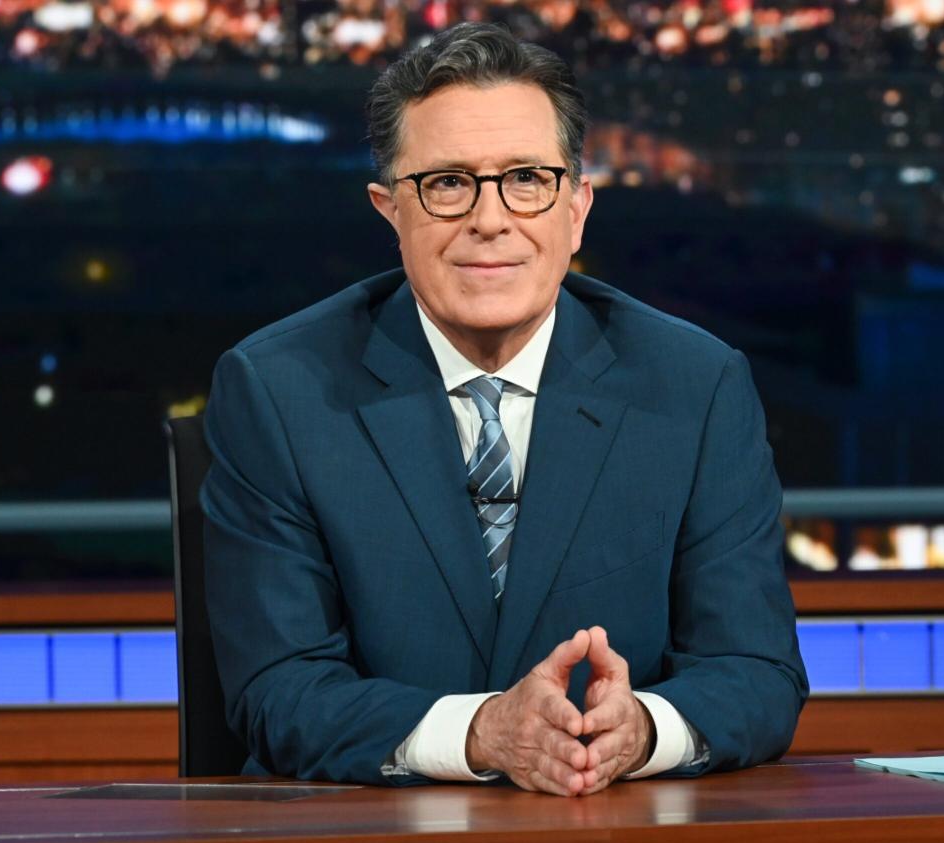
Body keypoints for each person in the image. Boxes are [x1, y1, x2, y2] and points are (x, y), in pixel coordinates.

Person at [201, 21, 807, 797]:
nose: (490, 219)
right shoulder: (279, 390)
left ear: (576, 207)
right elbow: (278, 691)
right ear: (390, 211)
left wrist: (644, 728)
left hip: (610, 828)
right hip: (367, 833)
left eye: (526, 178)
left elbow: (757, 671)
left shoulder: (696, 386)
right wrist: (484, 731)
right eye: (448, 183)